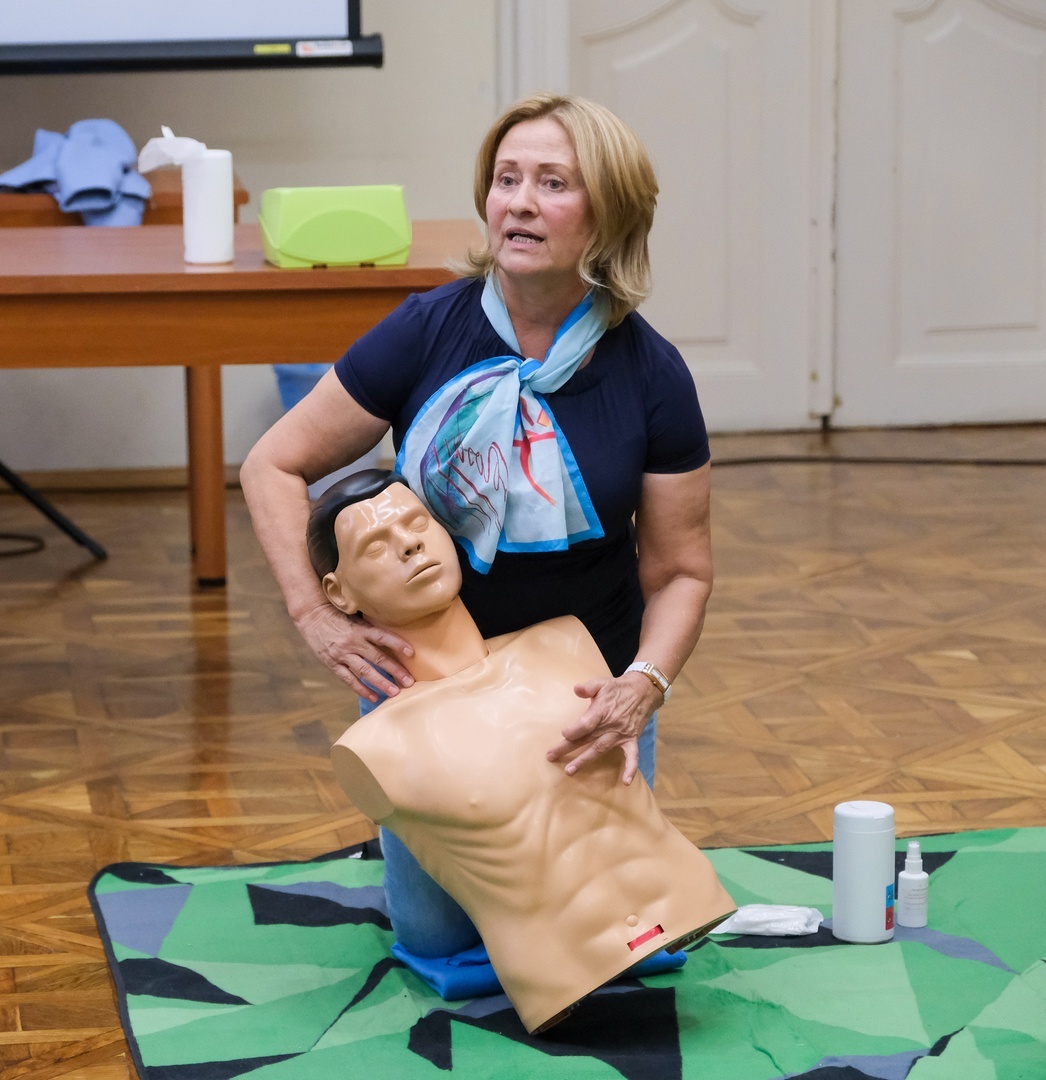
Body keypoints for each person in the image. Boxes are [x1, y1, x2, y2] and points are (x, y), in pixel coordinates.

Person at [241, 94, 712, 959]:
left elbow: (680, 571)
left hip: (587, 701)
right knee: (439, 944)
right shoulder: (426, 330)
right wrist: (315, 615)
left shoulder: (652, 372)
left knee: (615, 954)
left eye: (553, 183)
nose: (519, 203)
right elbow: (272, 464)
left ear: (608, 212)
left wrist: (643, 685)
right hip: (428, 692)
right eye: (506, 179)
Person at [312, 472, 733, 1032]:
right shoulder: (375, 746)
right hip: (551, 974)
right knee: (431, 929)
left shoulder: (566, 643)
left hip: (683, 904)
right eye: (375, 545)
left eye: (417, 524)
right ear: (339, 593)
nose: (409, 544)